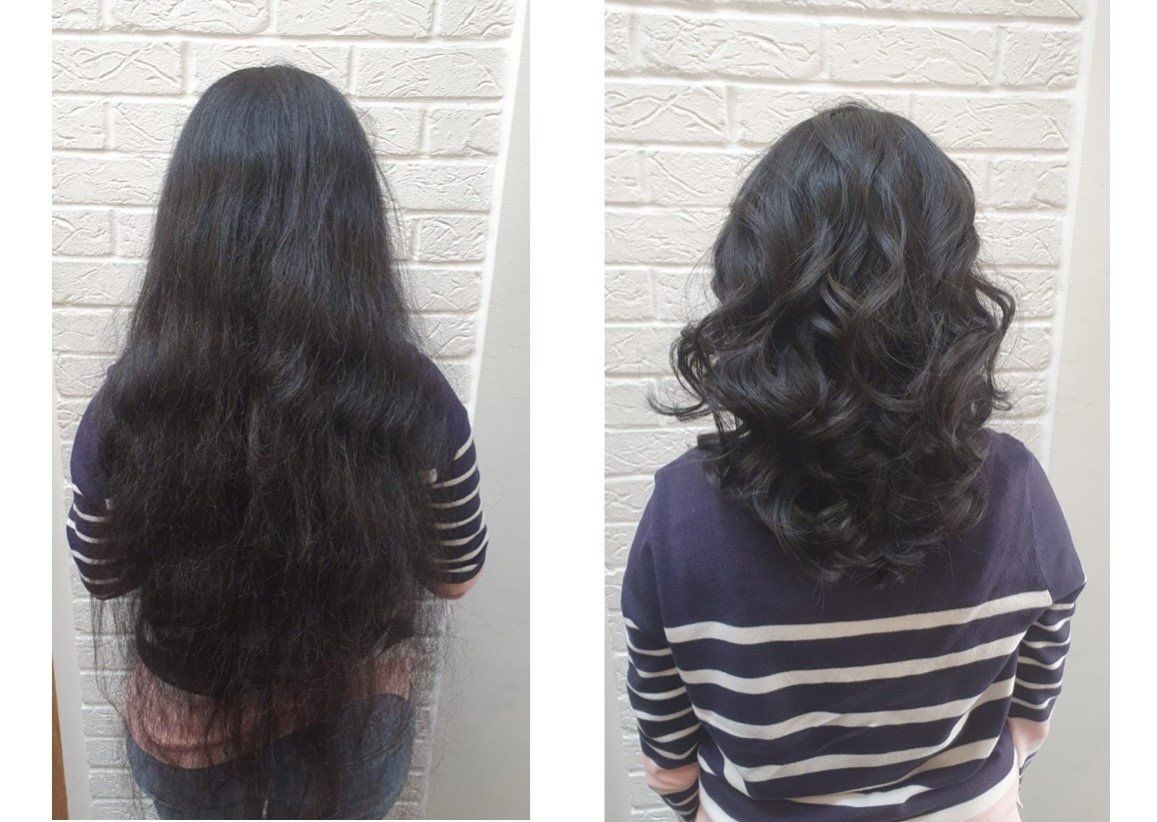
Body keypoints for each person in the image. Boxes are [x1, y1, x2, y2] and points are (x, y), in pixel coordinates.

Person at [622, 104, 1084, 821]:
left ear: (752, 276)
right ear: (950, 284)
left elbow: (666, 741)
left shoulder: (683, 508)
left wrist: (694, 806)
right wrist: (997, 786)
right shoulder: (1017, 489)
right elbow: (1032, 705)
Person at [65, 66, 488, 820]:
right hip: (353, 730)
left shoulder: (130, 406)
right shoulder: (417, 403)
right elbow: (455, 576)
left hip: (189, 739)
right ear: (353, 223)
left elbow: (102, 575)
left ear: (190, 222)